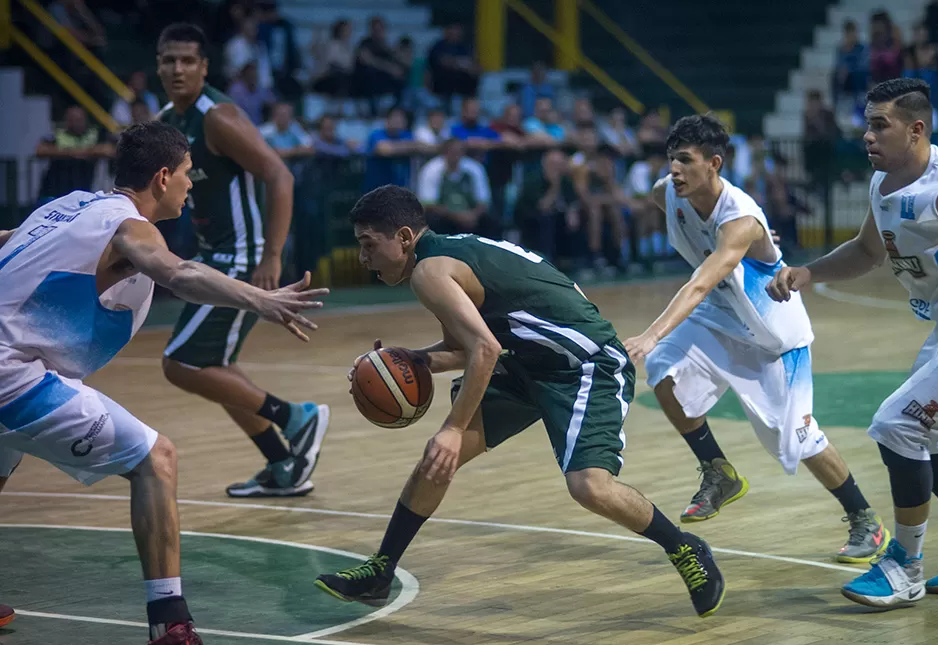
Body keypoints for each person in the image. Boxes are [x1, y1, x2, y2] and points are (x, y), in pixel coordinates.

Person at [312, 185, 726, 618]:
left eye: (367, 245)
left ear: (402, 237)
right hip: (527, 363)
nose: (363, 259)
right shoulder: (443, 256)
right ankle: (382, 569)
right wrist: (409, 360)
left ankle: (685, 547)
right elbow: (465, 347)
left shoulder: (428, 272)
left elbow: (484, 351)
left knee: (588, 486)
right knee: (438, 460)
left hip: (583, 364)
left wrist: (453, 430)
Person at [0, 121, 328, 645]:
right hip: (12, 375)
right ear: (160, 177)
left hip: (13, 366)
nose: (191, 183)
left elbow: (10, 242)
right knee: (156, 460)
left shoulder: (65, 205)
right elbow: (179, 274)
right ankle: (170, 623)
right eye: (185, 173)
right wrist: (259, 298)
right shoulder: (131, 228)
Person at [622, 114, 888, 564]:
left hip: (773, 337)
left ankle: (865, 518)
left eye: (685, 161)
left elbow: (700, 283)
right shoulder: (665, 193)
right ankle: (717, 470)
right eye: (671, 160)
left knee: (799, 441)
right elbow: (688, 229)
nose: (674, 170)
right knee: (663, 368)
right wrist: (757, 235)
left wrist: (649, 333)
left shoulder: (739, 218)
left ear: (715, 163)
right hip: (719, 319)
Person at [768, 78, 938, 608]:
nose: (867, 135)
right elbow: (866, 251)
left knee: (897, 424)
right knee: (927, 435)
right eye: (867, 124)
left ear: (917, 129)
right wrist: (806, 273)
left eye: (880, 125)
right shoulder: (883, 186)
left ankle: (906, 566)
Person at [156, 23, 330, 498]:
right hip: (213, 253)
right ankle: (282, 466)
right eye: (169, 60)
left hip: (242, 255)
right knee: (217, 369)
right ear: (158, 65)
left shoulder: (219, 116)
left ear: (205, 67)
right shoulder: (169, 119)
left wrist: (270, 256)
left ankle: (297, 418)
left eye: (187, 60)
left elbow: (280, 176)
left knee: (180, 364)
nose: (177, 69)